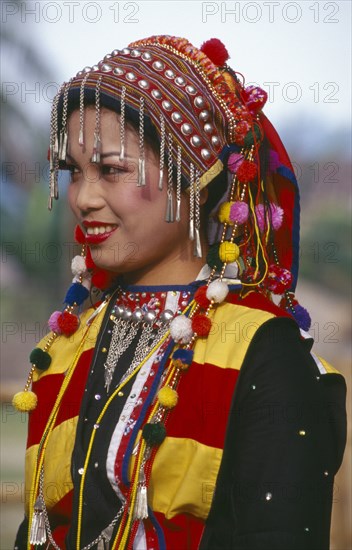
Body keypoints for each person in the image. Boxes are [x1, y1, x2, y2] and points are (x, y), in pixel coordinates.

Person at [13, 35, 346, 550]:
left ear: (196, 174)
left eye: (111, 169)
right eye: (73, 173)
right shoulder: (69, 342)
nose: (83, 197)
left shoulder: (262, 350)